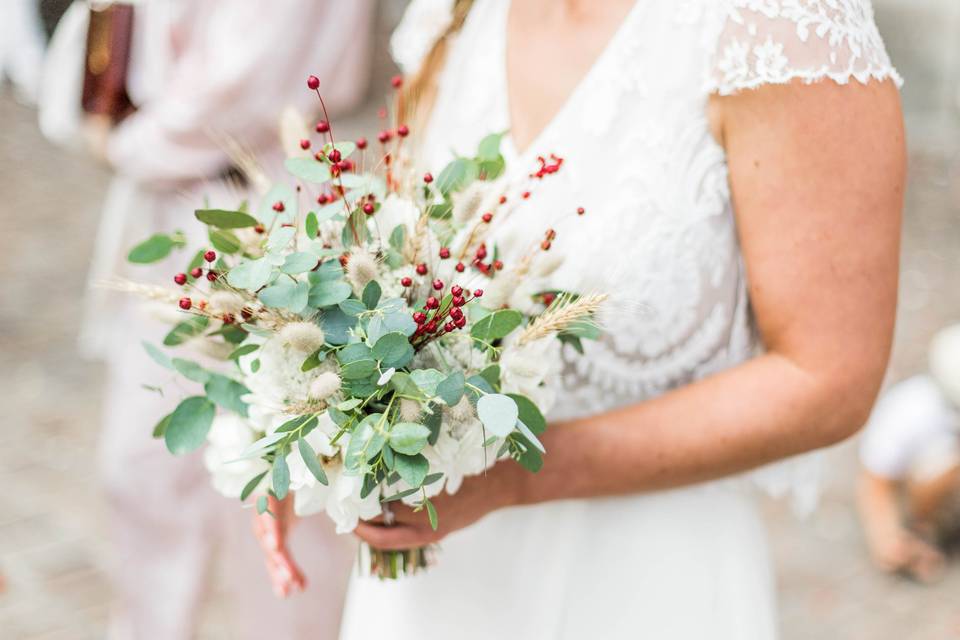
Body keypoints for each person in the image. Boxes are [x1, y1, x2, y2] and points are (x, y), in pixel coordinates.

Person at [266, 1, 905, 637]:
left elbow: (828, 377)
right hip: (436, 580)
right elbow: (408, 261)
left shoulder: (784, 31)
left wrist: (515, 479)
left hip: (645, 583)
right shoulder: (453, 13)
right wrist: (318, 433)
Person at [74, 2, 375, 638]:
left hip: (267, 208)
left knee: (285, 476)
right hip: (180, 205)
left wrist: (122, 142)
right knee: (144, 465)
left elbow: (241, 80)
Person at [858, 325, 960, 582]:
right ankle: (924, 531)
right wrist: (887, 537)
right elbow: (875, 482)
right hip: (924, 488)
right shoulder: (910, 412)